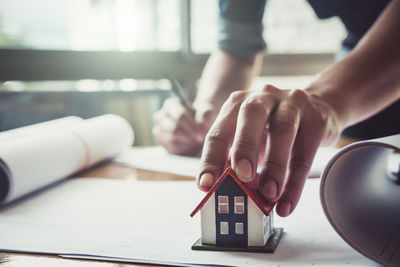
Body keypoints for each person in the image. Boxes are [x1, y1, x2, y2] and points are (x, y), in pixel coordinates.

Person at [153, 0, 400, 217]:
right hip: (361, 102)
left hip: (362, 82)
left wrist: (325, 100)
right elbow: (236, 48)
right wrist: (205, 114)